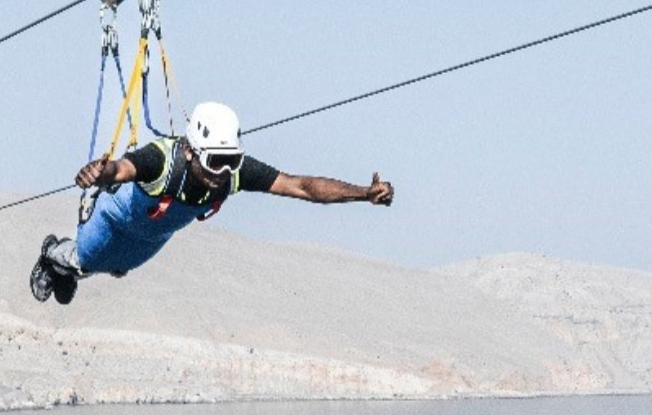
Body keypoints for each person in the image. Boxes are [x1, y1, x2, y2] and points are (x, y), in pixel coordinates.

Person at [32, 101, 393, 304]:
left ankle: (70, 270)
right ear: (190, 151)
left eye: (230, 160)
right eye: (215, 161)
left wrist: (363, 193)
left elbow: (301, 186)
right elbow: (124, 168)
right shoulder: (164, 160)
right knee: (88, 256)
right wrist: (100, 172)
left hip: (153, 235)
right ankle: (53, 255)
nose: (223, 172)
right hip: (116, 216)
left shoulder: (234, 171)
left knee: (119, 268)